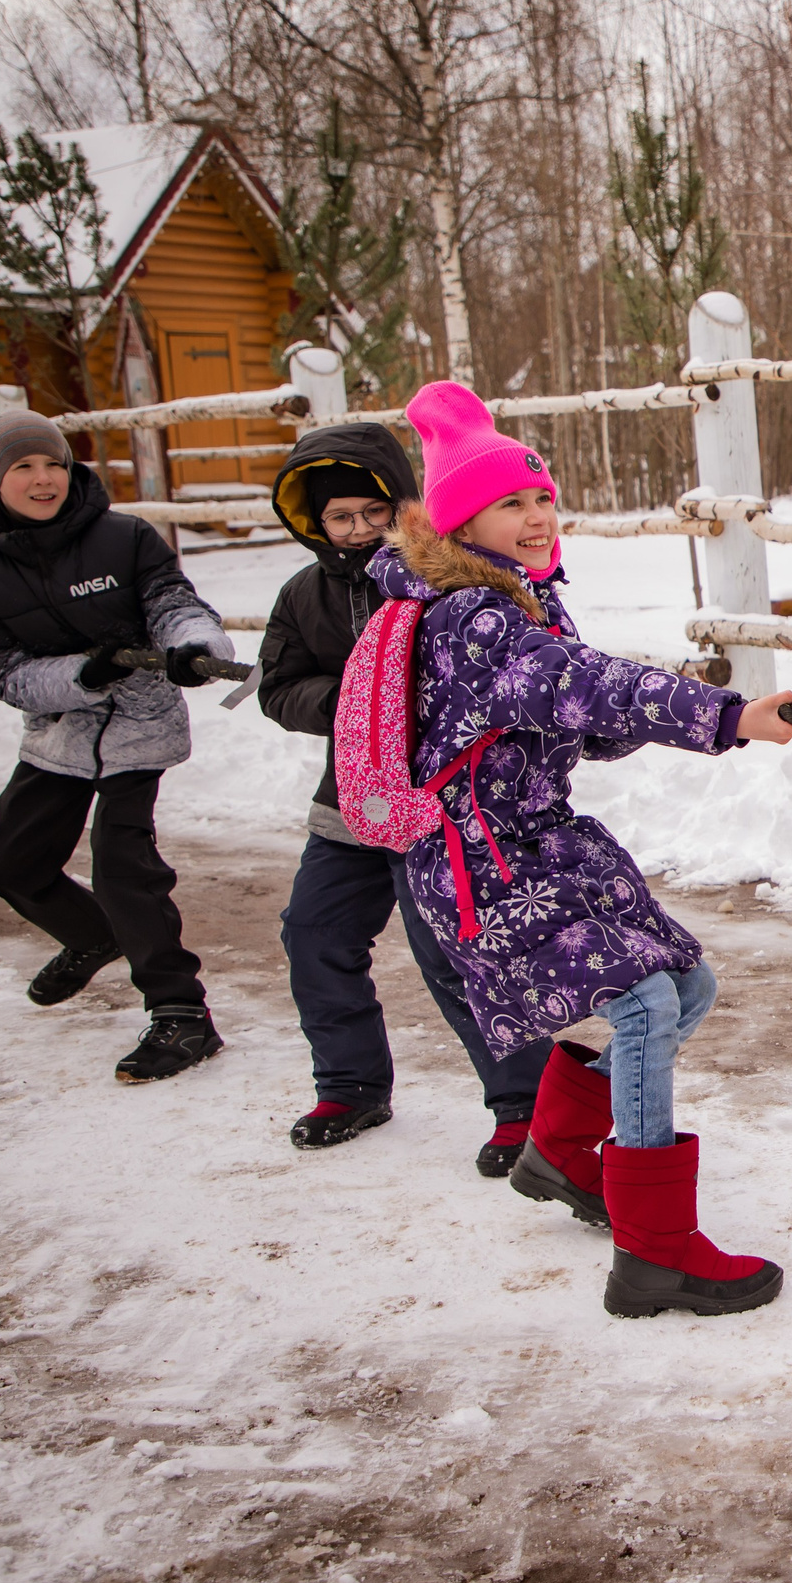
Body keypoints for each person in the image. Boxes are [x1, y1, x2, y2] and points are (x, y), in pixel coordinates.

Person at [367, 380, 792, 1317]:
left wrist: (648, 704)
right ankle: (656, 1251)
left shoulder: (522, 601)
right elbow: (579, 683)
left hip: (538, 845)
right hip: (481, 865)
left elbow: (585, 717)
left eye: (541, 499)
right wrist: (724, 715)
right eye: (509, 504)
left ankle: (565, 1152)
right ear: (459, 522)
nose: (534, 519)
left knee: (686, 987)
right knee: (647, 1002)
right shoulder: (471, 619)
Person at [257, 423, 550, 1171]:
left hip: (441, 806)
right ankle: (351, 1082)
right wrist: (355, 699)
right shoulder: (303, 595)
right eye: (338, 517)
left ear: (404, 505)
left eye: (371, 512)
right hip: (352, 802)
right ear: (313, 523)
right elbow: (279, 686)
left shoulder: (445, 579)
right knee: (313, 933)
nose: (357, 530)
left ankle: (527, 1104)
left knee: (454, 953)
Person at [0, 411, 233, 1082]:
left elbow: (174, 603)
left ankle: (181, 1015)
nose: (43, 478)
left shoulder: (123, 537)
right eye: (23, 466)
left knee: (122, 863)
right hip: (59, 732)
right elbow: (5, 674)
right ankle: (93, 933)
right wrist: (81, 676)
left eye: (53, 463)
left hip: (137, 724)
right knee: (12, 862)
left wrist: (194, 646)